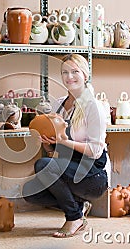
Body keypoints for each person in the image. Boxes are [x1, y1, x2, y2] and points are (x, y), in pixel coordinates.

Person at [22, 53, 109, 238]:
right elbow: (56, 154)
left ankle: (74, 217)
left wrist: (63, 141)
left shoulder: (94, 107)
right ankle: (79, 205)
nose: (69, 77)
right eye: (65, 72)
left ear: (85, 75)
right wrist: (47, 144)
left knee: (42, 165)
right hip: (70, 169)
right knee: (29, 192)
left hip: (93, 175)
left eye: (75, 72)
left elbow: (95, 151)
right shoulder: (60, 104)